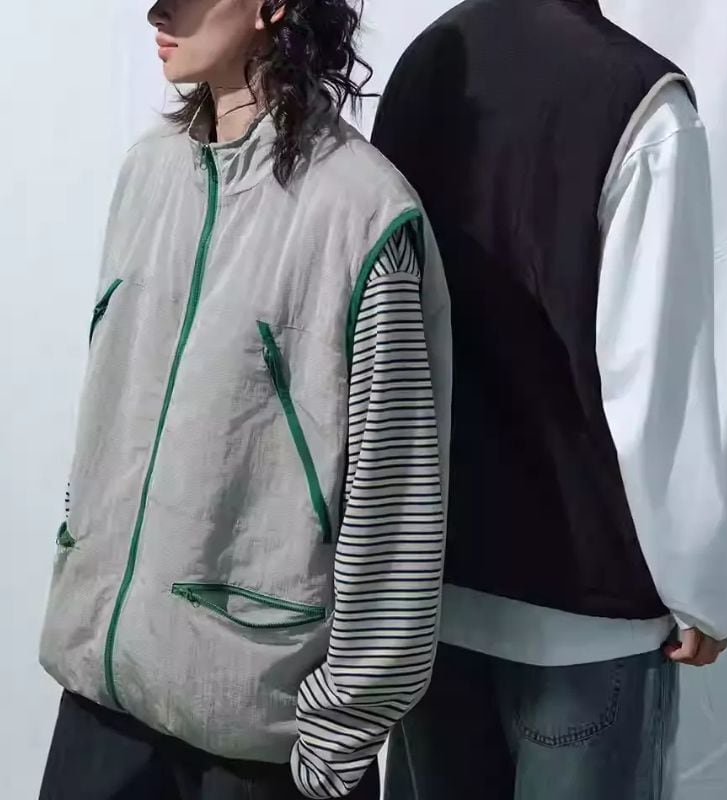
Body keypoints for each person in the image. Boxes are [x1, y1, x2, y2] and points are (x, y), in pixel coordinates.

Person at [38, 1, 451, 798]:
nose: (157, 10)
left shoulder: (364, 214)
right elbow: (110, 415)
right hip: (101, 710)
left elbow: (395, 505)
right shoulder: (149, 172)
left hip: (258, 746)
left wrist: (339, 740)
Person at [371, 0, 727, 798]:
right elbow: (653, 378)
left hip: (428, 597)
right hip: (584, 617)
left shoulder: (424, 66)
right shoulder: (641, 101)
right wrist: (696, 588)